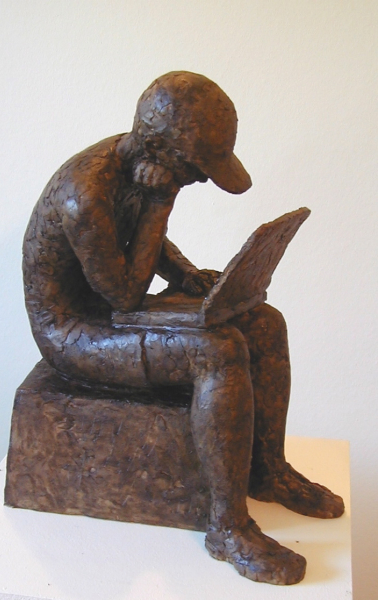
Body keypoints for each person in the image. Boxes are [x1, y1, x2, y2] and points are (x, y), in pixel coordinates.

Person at [23, 71, 344, 585]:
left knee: (264, 324)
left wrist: (187, 275)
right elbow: (125, 295)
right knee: (216, 352)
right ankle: (227, 528)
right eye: (194, 169)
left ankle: (268, 472)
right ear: (160, 150)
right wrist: (160, 202)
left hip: (113, 312)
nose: (198, 180)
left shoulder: (133, 162)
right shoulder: (84, 194)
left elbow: (137, 244)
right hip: (75, 333)